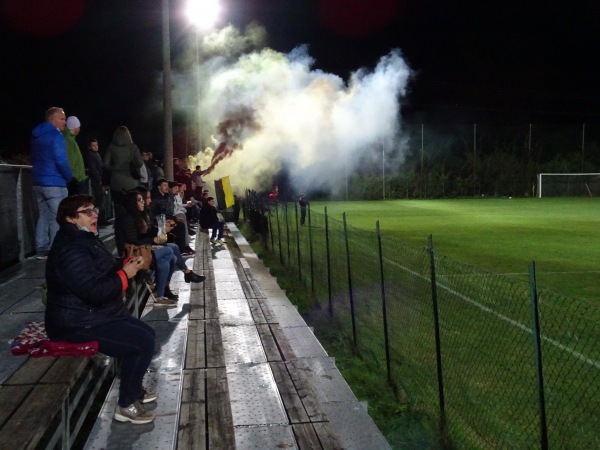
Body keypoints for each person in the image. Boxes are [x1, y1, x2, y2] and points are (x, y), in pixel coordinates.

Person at [44, 194, 157, 424]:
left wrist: (123, 265)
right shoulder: (70, 249)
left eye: (94, 209)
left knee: (149, 334)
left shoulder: (84, 240)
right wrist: (125, 275)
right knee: (141, 343)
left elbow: (102, 269)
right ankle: (125, 405)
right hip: (74, 324)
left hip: (93, 314)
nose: (95, 214)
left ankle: (133, 390)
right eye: (87, 211)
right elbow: (94, 292)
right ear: (71, 219)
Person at [115, 191, 205, 306]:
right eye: (140, 200)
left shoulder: (139, 215)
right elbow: (134, 241)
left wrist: (160, 232)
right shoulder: (127, 219)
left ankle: (162, 293)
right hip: (133, 253)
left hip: (143, 248)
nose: (144, 201)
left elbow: (144, 235)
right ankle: (184, 275)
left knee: (170, 256)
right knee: (169, 251)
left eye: (143, 199)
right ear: (132, 203)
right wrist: (154, 241)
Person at [31, 107, 73, 259]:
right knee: (58, 216)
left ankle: (41, 248)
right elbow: (61, 160)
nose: (65, 122)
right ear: (52, 120)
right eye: (62, 119)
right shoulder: (56, 136)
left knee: (43, 215)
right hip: (54, 182)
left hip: (38, 181)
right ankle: (56, 249)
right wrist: (69, 176)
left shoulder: (37, 136)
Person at [103, 126, 144, 206]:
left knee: (118, 206)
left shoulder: (111, 147)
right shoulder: (133, 147)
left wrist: (114, 168)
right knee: (132, 206)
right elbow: (140, 163)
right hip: (131, 182)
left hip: (116, 182)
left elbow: (105, 164)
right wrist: (132, 166)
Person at [63, 116, 88, 195]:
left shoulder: (71, 139)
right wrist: (75, 179)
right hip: (76, 181)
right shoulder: (69, 141)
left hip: (76, 181)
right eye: (78, 127)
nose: (79, 129)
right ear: (74, 127)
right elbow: (71, 162)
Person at [84, 138, 106, 223]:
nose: (96, 147)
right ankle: (99, 219)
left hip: (99, 181)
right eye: (93, 145)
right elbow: (93, 169)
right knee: (98, 201)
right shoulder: (91, 155)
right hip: (96, 182)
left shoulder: (97, 154)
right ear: (89, 147)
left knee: (101, 200)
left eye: (96, 145)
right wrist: (100, 180)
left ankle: (101, 219)